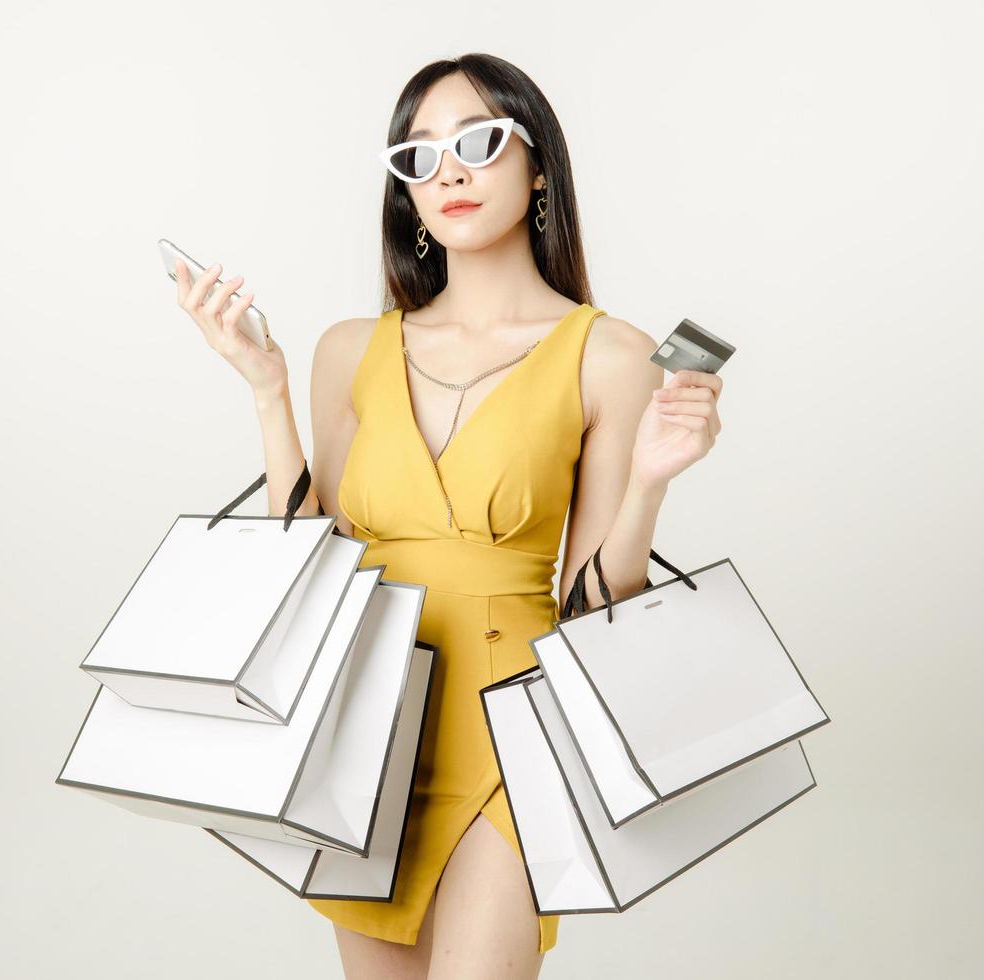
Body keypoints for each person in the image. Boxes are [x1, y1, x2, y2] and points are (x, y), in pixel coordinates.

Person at [174, 51, 723, 980]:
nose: (450, 173)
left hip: (513, 731)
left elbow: (594, 613)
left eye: (477, 141)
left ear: (537, 162)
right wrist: (268, 395)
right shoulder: (350, 349)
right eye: (418, 156)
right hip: (368, 731)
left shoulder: (610, 355)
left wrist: (649, 485)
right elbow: (316, 572)